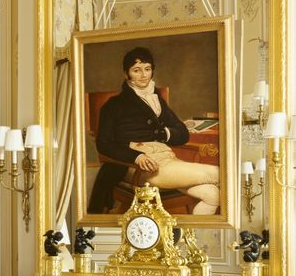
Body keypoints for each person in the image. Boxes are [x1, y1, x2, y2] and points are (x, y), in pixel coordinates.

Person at [87, 45, 220, 215]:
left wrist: (164, 133)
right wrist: (137, 157)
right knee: (218, 173)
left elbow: (183, 134)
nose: (143, 75)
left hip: (167, 159)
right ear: (126, 74)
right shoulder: (114, 105)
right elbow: (104, 144)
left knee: (213, 195)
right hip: (139, 167)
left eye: (147, 69)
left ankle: (190, 231)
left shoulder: (157, 100)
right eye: (136, 70)